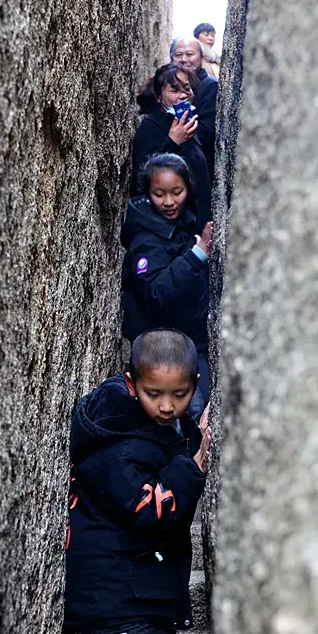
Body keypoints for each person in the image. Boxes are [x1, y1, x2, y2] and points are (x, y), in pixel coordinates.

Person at [64, 328, 211, 634]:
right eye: (154, 394)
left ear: (194, 386)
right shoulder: (118, 446)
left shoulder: (165, 432)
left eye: (178, 395)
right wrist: (193, 468)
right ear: (132, 385)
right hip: (111, 590)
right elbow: (148, 510)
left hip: (146, 589)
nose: (166, 406)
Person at [121, 153, 212, 417]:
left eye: (177, 191)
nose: (169, 202)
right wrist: (197, 254)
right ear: (148, 193)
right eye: (159, 194)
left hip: (192, 338)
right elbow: (156, 292)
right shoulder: (145, 241)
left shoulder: (184, 222)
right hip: (166, 347)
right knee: (193, 411)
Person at [132, 63, 211, 229]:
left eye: (187, 89)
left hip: (196, 225)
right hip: (171, 232)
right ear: (159, 96)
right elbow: (142, 178)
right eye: (174, 90)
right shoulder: (151, 126)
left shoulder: (187, 122)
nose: (183, 95)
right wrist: (173, 141)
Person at [170, 37, 218, 183]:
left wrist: (175, 135)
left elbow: (207, 132)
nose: (184, 59)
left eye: (190, 54)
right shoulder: (167, 85)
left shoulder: (209, 86)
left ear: (202, 57)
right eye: (178, 55)